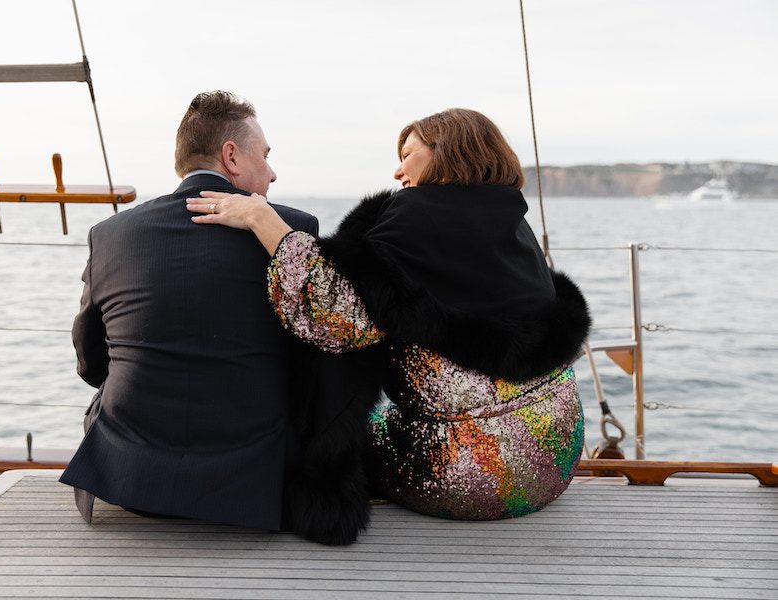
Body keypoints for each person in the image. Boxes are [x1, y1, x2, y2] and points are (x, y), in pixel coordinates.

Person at [186, 108, 591, 535]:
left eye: (409, 153)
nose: (398, 171)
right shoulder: (512, 218)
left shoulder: (416, 213)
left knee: (341, 431)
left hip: (472, 477)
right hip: (556, 456)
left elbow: (333, 317)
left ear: (448, 153)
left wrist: (261, 218)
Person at [59, 91, 318, 531]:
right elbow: (315, 355)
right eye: (266, 155)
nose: (272, 172)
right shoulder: (293, 230)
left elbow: (90, 361)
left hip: (130, 479)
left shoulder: (110, 233)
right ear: (231, 156)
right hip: (250, 481)